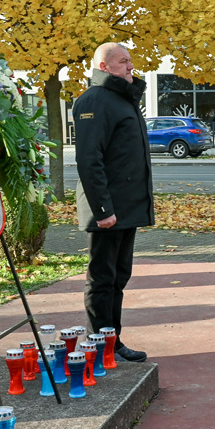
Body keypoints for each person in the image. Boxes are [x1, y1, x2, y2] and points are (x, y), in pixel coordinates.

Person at [73, 42, 153, 362]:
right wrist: (103, 210)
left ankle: (111, 340)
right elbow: (89, 160)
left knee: (119, 277)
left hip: (127, 209)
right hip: (108, 211)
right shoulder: (94, 100)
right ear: (104, 67)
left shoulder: (122, 99)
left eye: (131, 60)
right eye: (123, 62)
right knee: (102, 278)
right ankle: (98, 344)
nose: (130, 66)